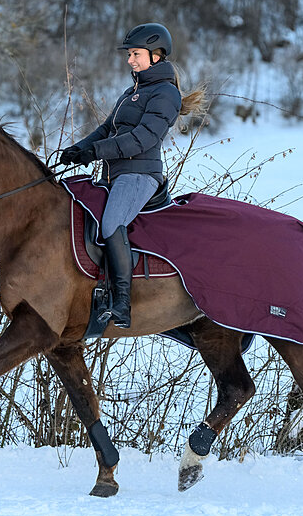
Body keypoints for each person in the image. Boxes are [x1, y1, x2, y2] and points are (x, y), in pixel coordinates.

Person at [60, 22, 205, 329]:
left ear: (157, 55)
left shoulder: (166, 94)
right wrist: (79, 148)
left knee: (112, 222)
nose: (130, 60)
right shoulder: (132, 92)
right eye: (129, 54)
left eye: (136, 54)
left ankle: (121, 304)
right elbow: (106, 129)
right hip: (114, 174)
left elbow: (143, 139)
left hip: (140, 176)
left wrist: (96, 152)